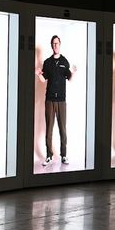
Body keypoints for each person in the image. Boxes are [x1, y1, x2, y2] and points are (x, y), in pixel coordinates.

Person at [36, 35, 75, 166]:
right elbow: (43, 79)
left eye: (57, 43)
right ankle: (49, 155)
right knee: (49, 129)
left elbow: (69, 78)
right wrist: (38, 75)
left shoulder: (65, 61)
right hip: (50, 100)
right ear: (51, 45)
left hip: (62, 100)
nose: (55, 46)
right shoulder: (47, 62)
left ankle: (64, 155)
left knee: (62, 129)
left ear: (60, 44)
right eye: (53, 44)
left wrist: (73, 72)